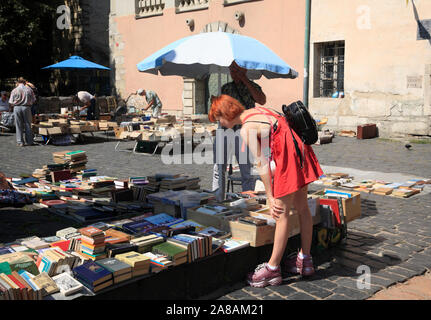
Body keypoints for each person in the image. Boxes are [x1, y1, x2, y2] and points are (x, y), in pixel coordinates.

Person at [209, 94, 324, 288]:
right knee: (303, 208)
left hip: (288, 155)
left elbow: (261, 163)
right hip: (300, 149)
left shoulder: (246, 129)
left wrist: (271, 195)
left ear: (225, 114)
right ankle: (305, 260)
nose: (219, 124)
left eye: (218, 119)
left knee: (281, 213)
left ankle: (272, 268)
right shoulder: (259, 111)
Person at [213, 61, 266, 201]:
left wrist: (245, 80)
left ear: (244, 70)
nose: (233, 72)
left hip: (244, 133)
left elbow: (262, 100)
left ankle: (247, 201)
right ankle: (218, 199)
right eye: (232, 69)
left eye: (237, 69)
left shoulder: (252, 86)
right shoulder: (226, 88)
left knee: (246, 171)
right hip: (224, 131)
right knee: (218, 169)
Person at [8, 78, 36, 146]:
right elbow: (34, 100)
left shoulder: (14, 90)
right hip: (26, 107)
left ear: (18, 83)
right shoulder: (29, 90)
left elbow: (11, 102)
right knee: (27, 124)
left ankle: (20, 142)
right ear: (24, 83)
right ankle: (29, 141)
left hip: (17, 107)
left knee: (18, 125)